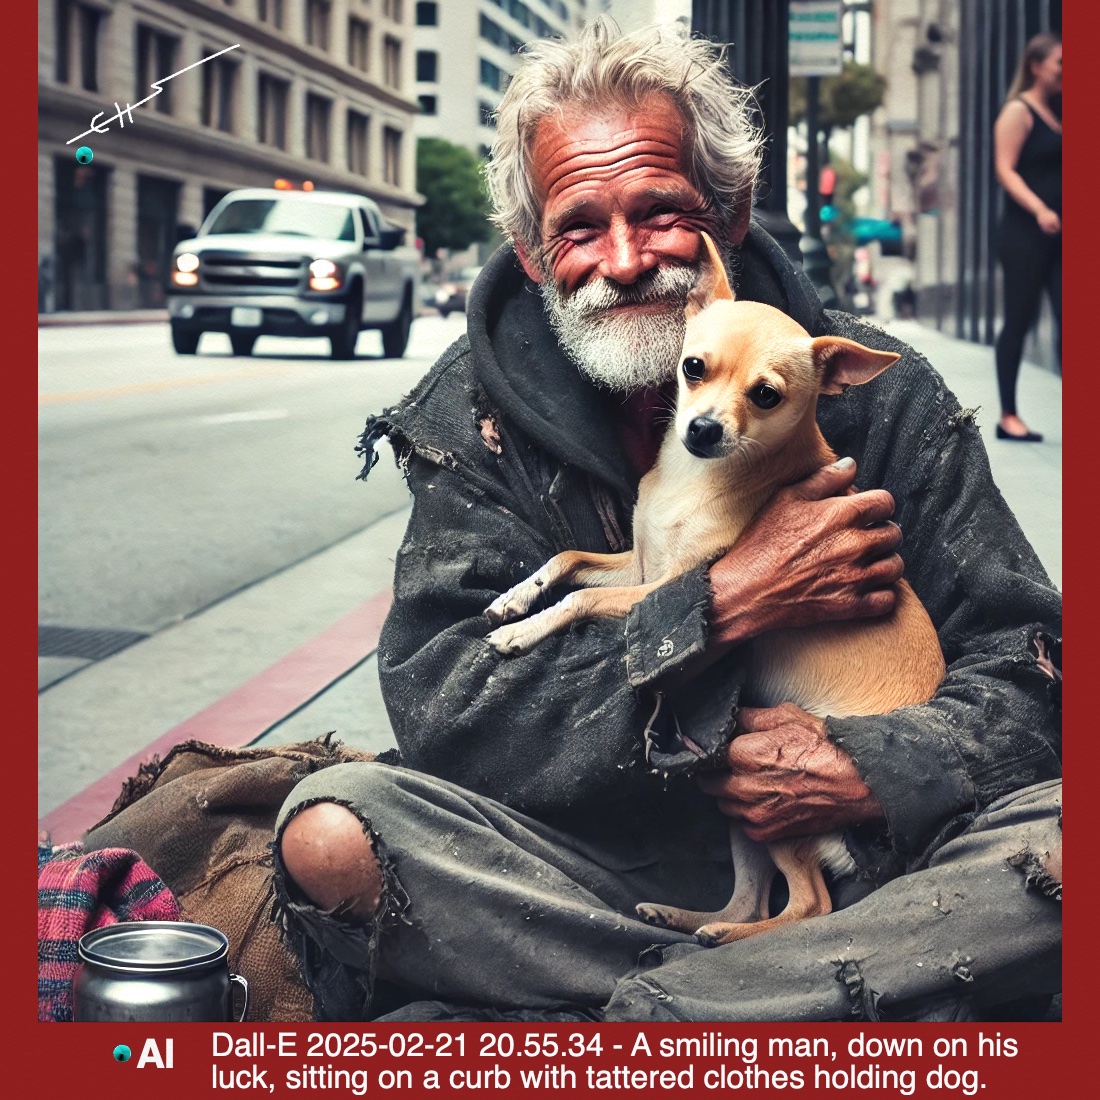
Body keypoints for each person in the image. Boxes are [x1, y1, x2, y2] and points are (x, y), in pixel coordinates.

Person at [272, 19, 1061, 1023]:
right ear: (528, 251)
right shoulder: (469, 420)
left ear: (728, 216)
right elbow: (450, 712)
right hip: (597, 869)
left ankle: (674, 1005)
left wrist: (861, 768)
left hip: (882, 859)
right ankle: (779, 996)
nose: (625, 259)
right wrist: (721, 601)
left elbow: (1033, 668)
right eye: (578, 227)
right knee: (334, 832)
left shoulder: (873, 392)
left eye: (659, 213)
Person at [992, 33, 1061, 443]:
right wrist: (1040, 209)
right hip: (1025, 234)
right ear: (1036, 66)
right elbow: (1005, 169)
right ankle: (1008, 415)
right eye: (1060, 63)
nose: (1066, 72)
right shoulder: (1019, 111)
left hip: (1059, 237)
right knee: (1019, 320)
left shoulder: (1059, 113)